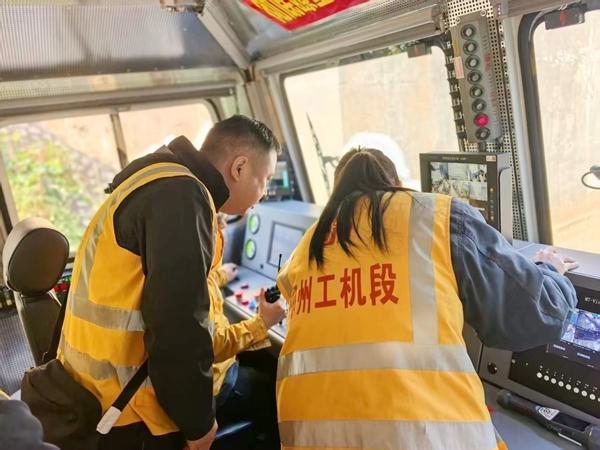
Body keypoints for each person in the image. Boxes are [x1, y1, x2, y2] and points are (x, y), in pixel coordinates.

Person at [275, 147, 578, 450]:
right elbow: (543, 313)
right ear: (396, 186)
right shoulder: (437, 217)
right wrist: (549, 269)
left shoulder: (308, 245)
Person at [57, 115, 281, 450]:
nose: (263, 195)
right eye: (265, 180)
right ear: (240, 167)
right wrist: (198, 424)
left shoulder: (157, 179)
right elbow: (179, 329)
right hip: (130, 407)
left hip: (93, 391)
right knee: (275, 388)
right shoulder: (183, 196)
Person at [208, 214, 284, 449]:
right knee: (277, 392)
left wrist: (221, 275)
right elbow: (215, 345)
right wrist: (263, 322)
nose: (223, 228)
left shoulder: (189, 269)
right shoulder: (193, 282)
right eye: (217, 223)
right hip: (216, 386)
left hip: (205, 378)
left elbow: (205, 279)